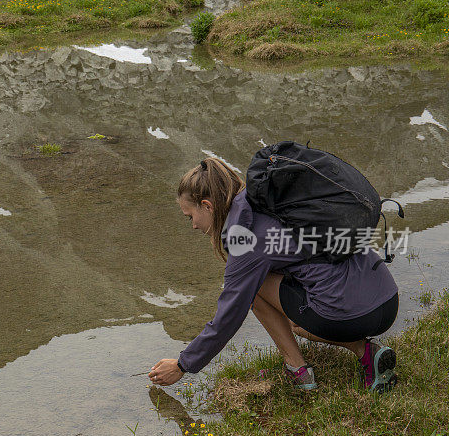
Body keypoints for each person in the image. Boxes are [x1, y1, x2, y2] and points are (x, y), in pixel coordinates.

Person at [149, 157, 400, 392]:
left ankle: (299, 370)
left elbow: (229, 316)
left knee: (254, 289)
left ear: (207, 206)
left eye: (190, 216)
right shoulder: (271, 200)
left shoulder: (245, 238)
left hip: (353, 315)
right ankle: (368, 353)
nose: (193, 225)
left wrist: (183, 364)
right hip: (387, 299)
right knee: (279, 285)